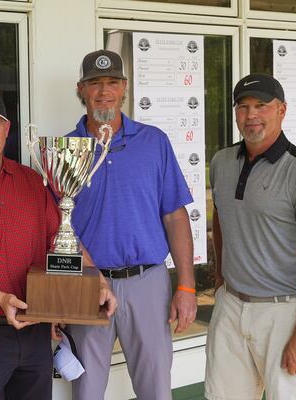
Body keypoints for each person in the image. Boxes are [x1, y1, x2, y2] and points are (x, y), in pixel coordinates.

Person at [0, 90, 115, 399]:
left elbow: (58, 239)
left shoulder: (31, 180)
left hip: (35, 329)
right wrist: (1, 298)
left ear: (7, 130)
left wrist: (97, 280)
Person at [66, 49, 198, 400]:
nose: (104, 91)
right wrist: (80, 284)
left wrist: (186, 286)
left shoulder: (153, 142)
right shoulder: (64, 150)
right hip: (88, 285)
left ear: (124, 87)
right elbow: (57, 228)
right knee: (87, 390)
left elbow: (174, 215)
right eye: (95, 83)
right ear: (81, 89)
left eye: (112, 82)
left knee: (155, 388)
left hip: (148, 282)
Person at [205, 73, 296, 400]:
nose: (251, 115)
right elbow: (222, 216)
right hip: (232, 307)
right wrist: (223, 279)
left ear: (281, 110)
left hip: (286, 313)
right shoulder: (222, 162)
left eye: (261, 106)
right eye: (243, 106)